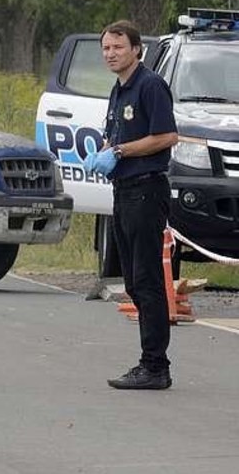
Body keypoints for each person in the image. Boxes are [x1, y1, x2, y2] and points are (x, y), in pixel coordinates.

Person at [82, 20, 178, 390]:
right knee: (134, 283)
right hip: (123, 190)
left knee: (147, 280)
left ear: (136, 49)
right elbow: (115, 135)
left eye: (118, 48)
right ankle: (150, 361)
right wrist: (105, 152)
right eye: (106, 48)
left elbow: (166, 135)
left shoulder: (150, 85)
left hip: (146, 189)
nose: (111, 54)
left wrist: (121, 151)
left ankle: (155, 366)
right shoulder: (118, 89)